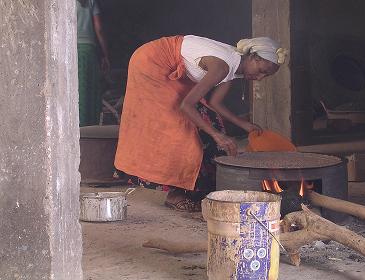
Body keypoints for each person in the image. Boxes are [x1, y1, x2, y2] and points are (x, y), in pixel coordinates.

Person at [114, 35, 287, 212]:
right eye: (261, 70)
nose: (259, 77)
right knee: (181, 131)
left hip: (170, 65)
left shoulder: (235, 66)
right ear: (253, 57)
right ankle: (175, 194)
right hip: (152, 62)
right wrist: (216, 135)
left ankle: (199, 187)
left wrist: (243, 125)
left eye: (266, 75)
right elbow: (186, 105)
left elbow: (215, 103)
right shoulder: (222, 66)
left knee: (211, 122)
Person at [77, 0, 110, 126]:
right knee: (91, 90)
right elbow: (99, 29)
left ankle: (79, 126)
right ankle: (91, 126)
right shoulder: (91, 2)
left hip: (74, 51)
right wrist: (105, 55)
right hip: (90, 51)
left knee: (79, 90)